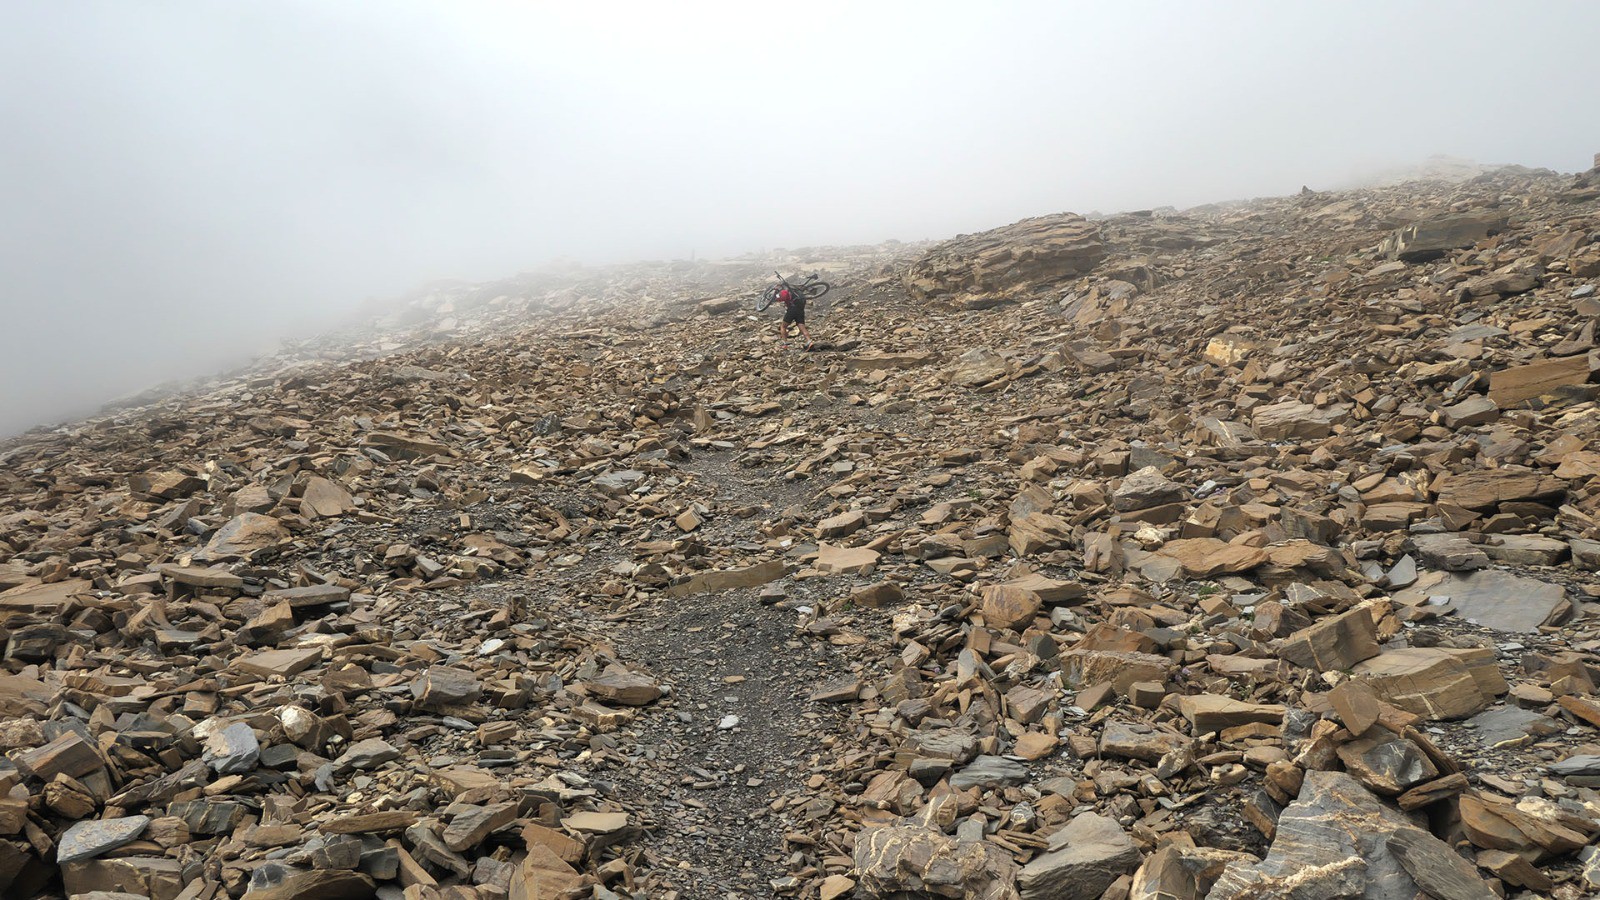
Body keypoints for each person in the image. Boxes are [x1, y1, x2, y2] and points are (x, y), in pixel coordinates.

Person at [776, 285, 814, 350]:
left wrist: (777, 294)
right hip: (801, 310)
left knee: (783, 326)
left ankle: (785, 344)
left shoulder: (785, 292)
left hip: (792, 310)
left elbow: (779, 298)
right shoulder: (796, 292)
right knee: (802, 327)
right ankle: (809, 341)